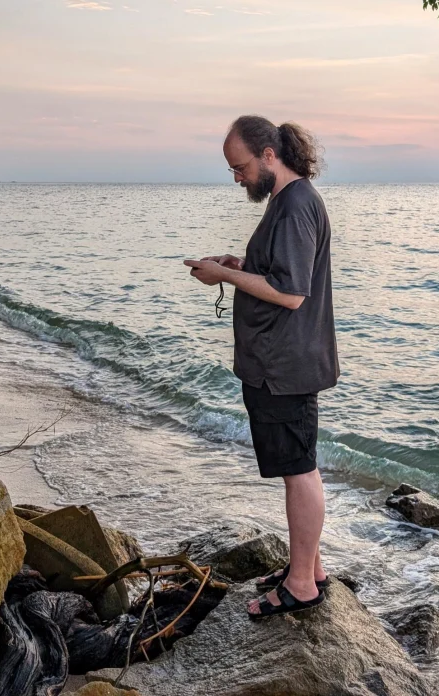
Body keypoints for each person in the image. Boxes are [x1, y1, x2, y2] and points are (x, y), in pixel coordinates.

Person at [184, 115, 339, 619]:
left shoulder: (294, 206)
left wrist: (224, 276)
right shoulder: (287, 200)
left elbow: (291, 294)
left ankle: (302, 585)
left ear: (269, 155)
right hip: (278, 361)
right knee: (298, 467)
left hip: (284, 365)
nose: (237, 177)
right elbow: (277, 273)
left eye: (241, 167)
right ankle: (309, 568)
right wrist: (238, 266)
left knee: (299, 471)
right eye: (232, 169)